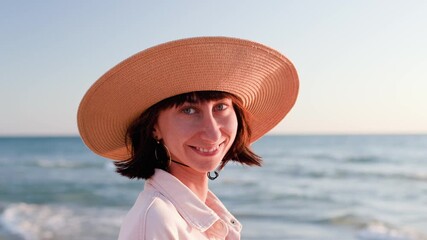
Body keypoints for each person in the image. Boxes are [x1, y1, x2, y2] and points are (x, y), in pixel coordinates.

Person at [77, 36, 299, 239]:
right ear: (154, 128)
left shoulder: (202, 212)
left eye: (221, 107)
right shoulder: (157, 220)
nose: (212, 133)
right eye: (189, 110)